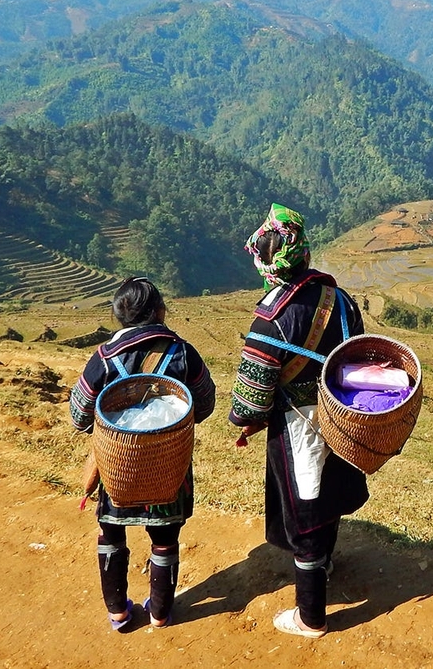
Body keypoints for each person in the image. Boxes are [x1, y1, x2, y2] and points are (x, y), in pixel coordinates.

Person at [229, 203, 368, 638]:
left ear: (266, 260)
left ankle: (311, 616)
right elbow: (359, 350)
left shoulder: (271, 316)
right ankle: (325, 563)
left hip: (298, 424)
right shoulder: (338, 298)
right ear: (303, 253)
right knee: (329, 492)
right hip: (344, 415)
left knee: (305, 505)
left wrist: (247, 420)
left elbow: (250, 401)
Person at [69, 277, 216, 631]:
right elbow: (206, 403)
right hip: (168, 466)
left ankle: (118, 612)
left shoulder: (104, 359)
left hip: (117, 467)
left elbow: (79, 415)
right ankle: (161, 613)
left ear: (119, 315)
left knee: (111, 532)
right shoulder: (181, 352)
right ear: (159, 310)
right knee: (165, 537)